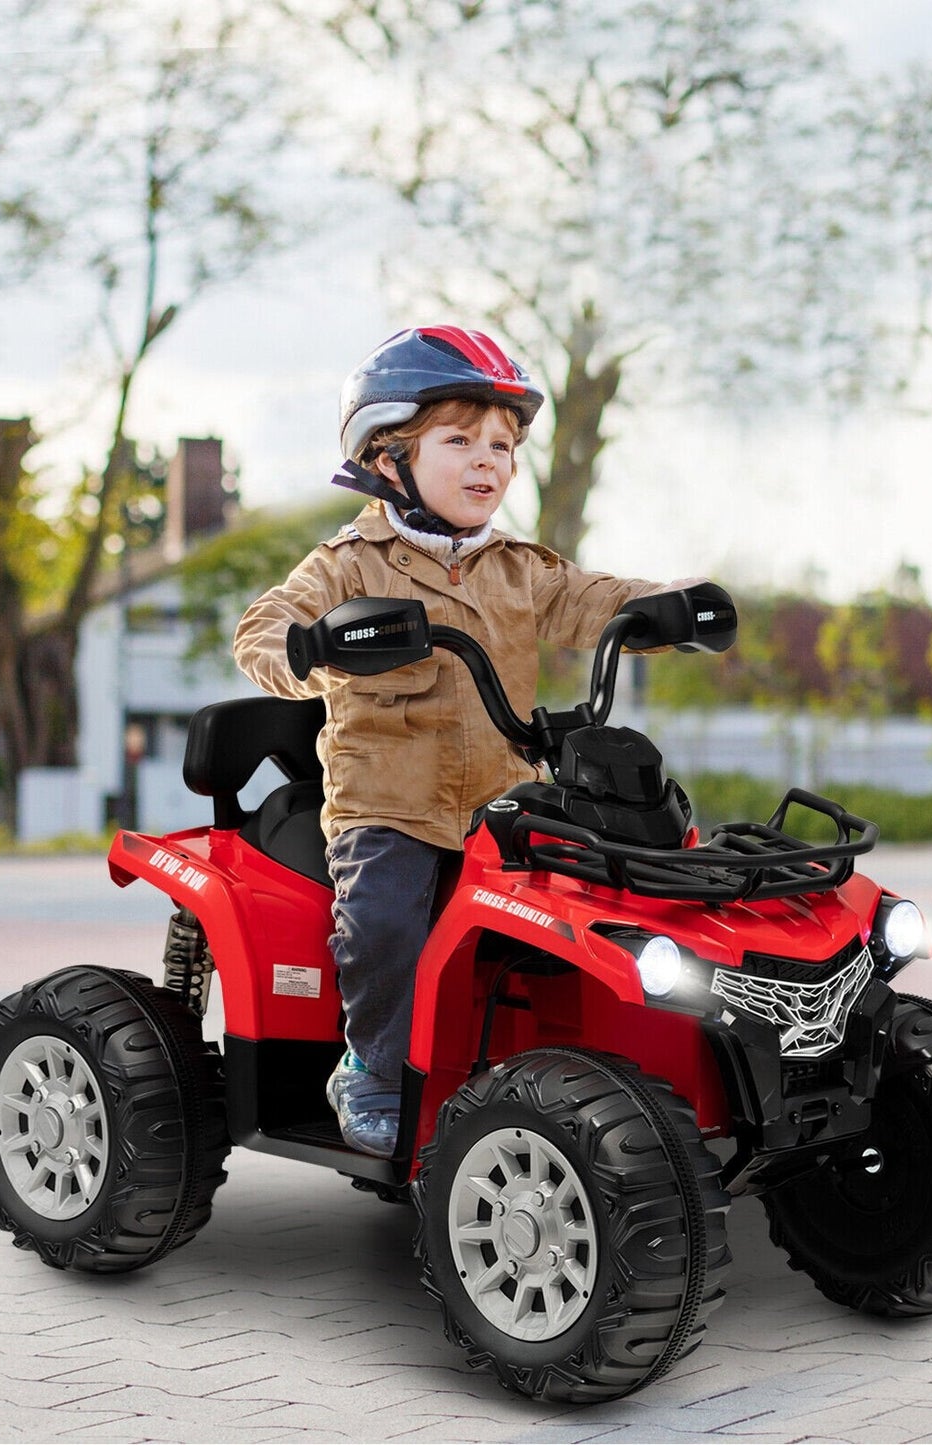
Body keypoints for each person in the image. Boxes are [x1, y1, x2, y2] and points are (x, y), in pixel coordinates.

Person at [233, 325, 673, 1156]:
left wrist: (670, 605)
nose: (488, 461)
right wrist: (305, 647)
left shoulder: (517, 566)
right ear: (387, 453)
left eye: (502, 444)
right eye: (459, 439)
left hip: (502, 803)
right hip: (388, 805)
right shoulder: (348, 563)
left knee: (596, 908)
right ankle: (370, 1065)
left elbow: (592, 597)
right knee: (386, 922)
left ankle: (583, 1075)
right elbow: (266, 624)